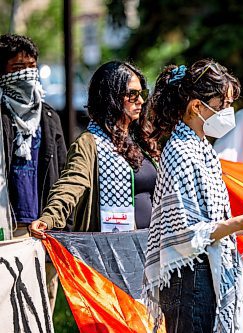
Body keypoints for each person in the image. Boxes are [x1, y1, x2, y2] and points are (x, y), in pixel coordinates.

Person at [142, 59, 243, 333]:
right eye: (223, 105)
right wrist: (242, 224)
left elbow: (211, 220)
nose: (228, 112)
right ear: (197, 106)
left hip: (204, 270)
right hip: (189, 278)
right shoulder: (181, 152)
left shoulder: (202, 147)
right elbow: (184, 233)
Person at [29, 60, 160, 236]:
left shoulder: (142, 139)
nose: (141, 101)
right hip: (112, 252)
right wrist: (49, 217)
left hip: (152, 249)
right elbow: (71, 183)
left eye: (142, 93)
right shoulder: (89, 143)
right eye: (133, 94)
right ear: (111, 96)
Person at [0, 33, 67, 312]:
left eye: (32, 67)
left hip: (43, 229)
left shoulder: (49, 117)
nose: (27, 74)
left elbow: (63, 174)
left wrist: (60, 226)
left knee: (41, 310)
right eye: (17, 68)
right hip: (7, 229)